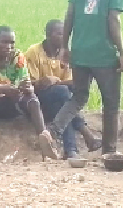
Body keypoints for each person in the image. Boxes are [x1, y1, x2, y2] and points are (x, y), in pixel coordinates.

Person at [48, 0, 123, 155]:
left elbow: (70, 15)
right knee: (111, 104)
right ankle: (109, 152)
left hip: (80, 52)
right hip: (104, 55)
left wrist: (64, 47)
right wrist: (121, 52)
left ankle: (52, 132)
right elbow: (113, 19)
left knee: (79, 97)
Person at [0, 26, 60, 162]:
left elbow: (27, 85)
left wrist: (27, 88)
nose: (8, 46)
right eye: (4, 42)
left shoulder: (18, 57)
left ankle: (45, 143)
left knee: (32, 98)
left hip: (10, 104)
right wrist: (2, 89)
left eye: (12, 43)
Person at [24, 19, 101, 159]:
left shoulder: (66, 54)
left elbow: (73, 81)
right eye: (59, 33)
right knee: (64, 94)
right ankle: (85, 133)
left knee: (63, 101)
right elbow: (28, 85)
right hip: (37, 102)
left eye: (65, 33)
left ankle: (71, 151)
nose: (64, 37)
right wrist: (42, 82)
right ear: (48, 35)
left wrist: (55, 82)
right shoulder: (34, 52)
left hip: (58, 99)